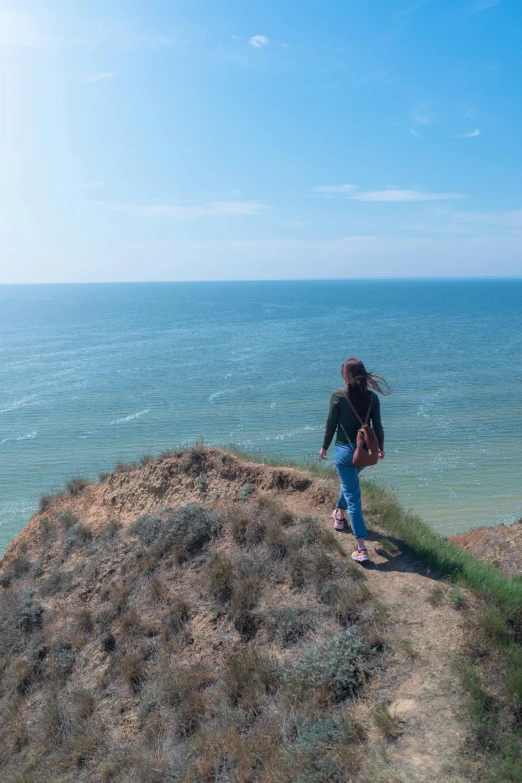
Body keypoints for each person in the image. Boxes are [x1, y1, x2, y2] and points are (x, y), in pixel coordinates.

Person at [319, 358, 390, 563]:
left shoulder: (337, 397)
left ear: (346, 377)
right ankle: (339, 518)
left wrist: (324, 446)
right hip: (363, 453)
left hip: (343, 453)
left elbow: (330, 425)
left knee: (353, 497)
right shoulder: (372, 398)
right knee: (349, 485)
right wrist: (381, 449)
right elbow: (378, 427)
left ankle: (361, 549)